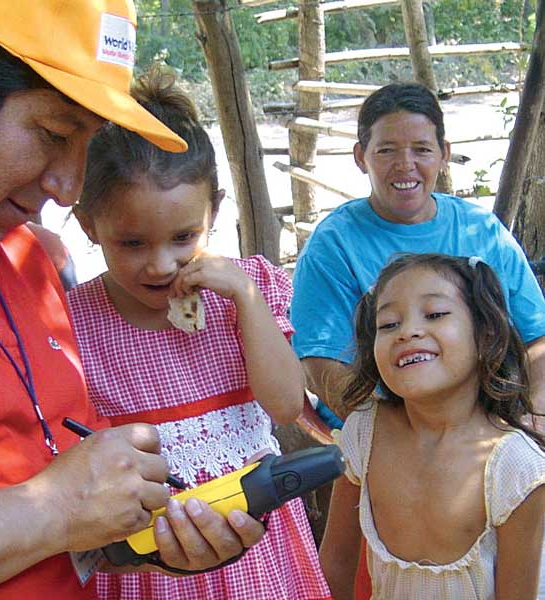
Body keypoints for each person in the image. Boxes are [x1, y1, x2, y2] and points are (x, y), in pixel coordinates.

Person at [0, 2, 266, 599]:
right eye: (54, 134)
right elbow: (58, 509)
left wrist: (146, 539)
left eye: (87, 146)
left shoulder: (22, 259)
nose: (69, 186)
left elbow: (60, 511)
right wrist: (59, 509)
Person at [67, 66, 332, 600]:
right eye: (133, 243)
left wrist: (247, 303)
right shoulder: (73, 322)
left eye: (184, 237)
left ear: (215, 209)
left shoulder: (246, 290)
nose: (161, 264)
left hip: (257, 544)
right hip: (151, 560)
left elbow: (283, 406)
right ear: (89, 224)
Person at [290, 83, 545, 424]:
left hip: (491, 420)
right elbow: (322, 364)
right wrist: (406, 437)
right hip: (384, 429)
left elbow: (537, 340)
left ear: (444, 154)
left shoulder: (481, 230)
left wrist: (529, 419)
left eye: (422, 149)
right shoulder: (335, 244)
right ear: (360, 157)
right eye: (386, 151)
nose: (405, 165)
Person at [321, 252, 545, 599]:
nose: (408, 332)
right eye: (389, 324)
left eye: (436, 314)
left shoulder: (516, 467)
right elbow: (335, 563)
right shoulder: (363, 434)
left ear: (485, 335)